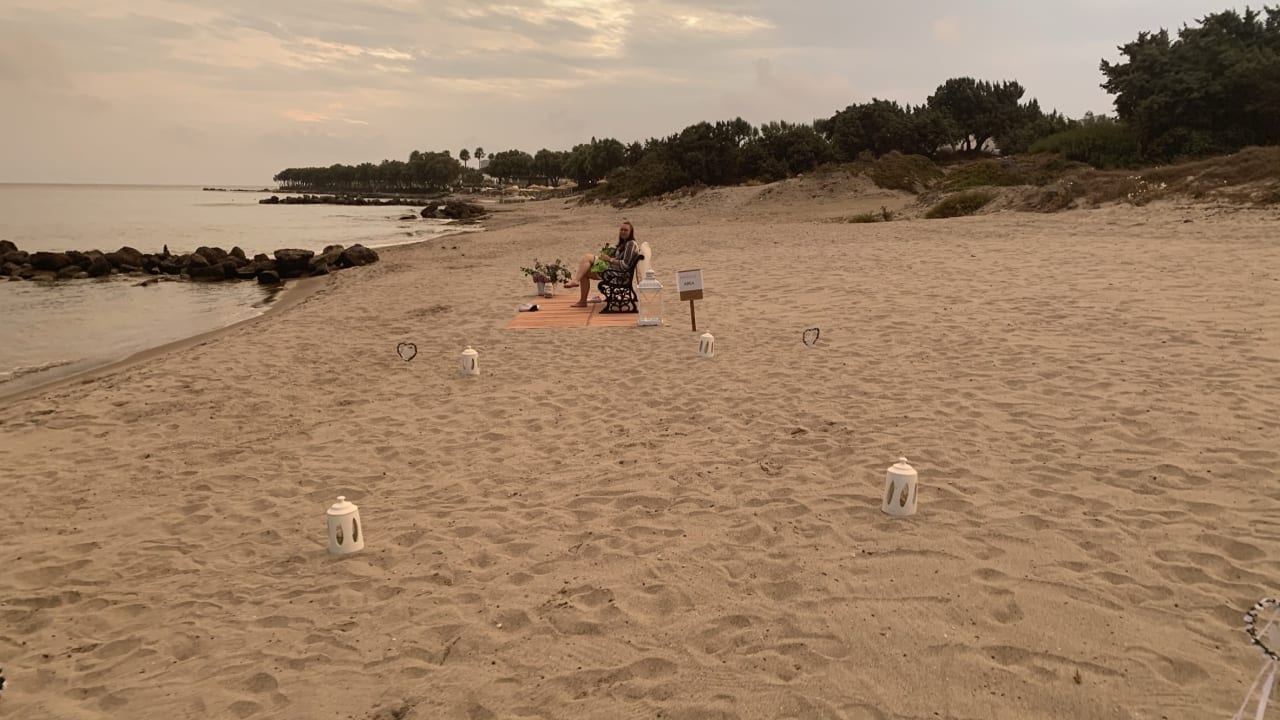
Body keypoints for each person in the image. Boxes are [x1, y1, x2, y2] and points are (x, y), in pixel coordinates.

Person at [564, 221, 639, 307]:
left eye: (625, 230)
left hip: (619, 275)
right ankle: (583, 301)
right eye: (621, 229)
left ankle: (575, 281)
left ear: (631, 232)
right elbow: (620, 260)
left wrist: (609, 259)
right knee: (584, 273)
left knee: (587, 257)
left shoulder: (631, 244)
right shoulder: (625, 243)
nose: (623, 232)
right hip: (614, 271)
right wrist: (609, 256)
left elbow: (625, 265)